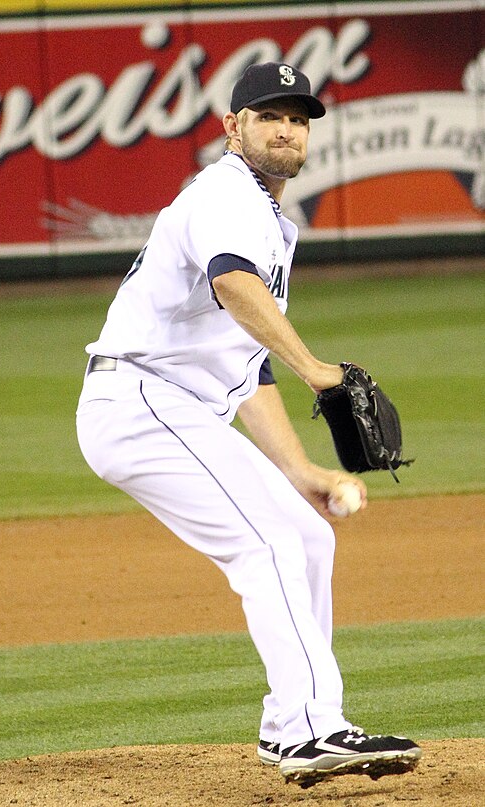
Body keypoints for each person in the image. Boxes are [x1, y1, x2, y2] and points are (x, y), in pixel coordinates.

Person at [76, 62, 421, 788]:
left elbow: (246, 366)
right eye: (269, 116)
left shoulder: (268, 218)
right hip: (141, 401)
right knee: (266, 545)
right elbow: (235, 286)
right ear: (234, 127)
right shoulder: (226, 195)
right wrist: (317, 368)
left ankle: (292, 724)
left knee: (306, 534)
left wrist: (303, 473)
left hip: (170, 406)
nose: (287, 129)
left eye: (298, 119)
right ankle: (310, 730)